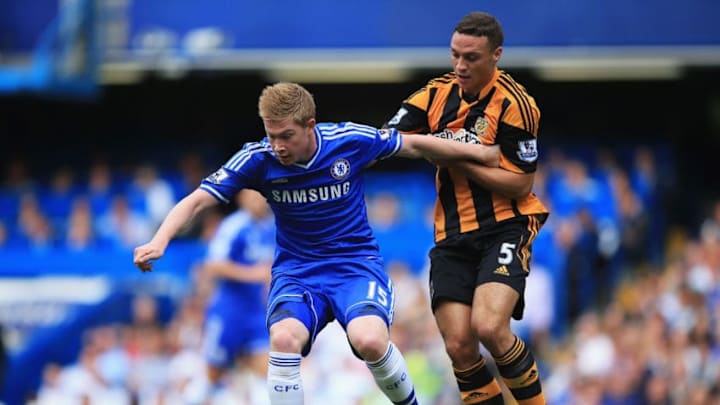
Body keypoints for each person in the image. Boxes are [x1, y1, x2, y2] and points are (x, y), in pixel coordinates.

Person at [134, 81, 499, 405]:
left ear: (310, 125)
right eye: (271, 134)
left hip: (354, 267)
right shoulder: (257, 159)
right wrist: (160, 239)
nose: (277, 146)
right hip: (298, 273)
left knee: (369, 340)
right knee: (283, 338)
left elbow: (415, 145)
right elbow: (198, 198)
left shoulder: (348, 141)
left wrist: (480, 153)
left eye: (286, 136)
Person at [383, 12, 549, 405]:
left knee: (490, 327)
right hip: (452, 233)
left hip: (507, 225)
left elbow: (521, 182)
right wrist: (473, 153)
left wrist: (451, 158)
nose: (460, 66)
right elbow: (392, 139)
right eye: (455, 55)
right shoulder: (434, 94)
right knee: (459, 344)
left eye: (471, 57)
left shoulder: (516, 105)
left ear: (496, 55)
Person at [198, 188, 275, 403]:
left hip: (256, 311)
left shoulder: (272, 227)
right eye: (253, 195)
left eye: (261, 194)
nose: (258, 200)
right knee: (212, 375)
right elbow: (213, 265)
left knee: (268, 374)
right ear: (242, 198)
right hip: (229, 311)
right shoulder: (234, 226)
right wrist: (254, 274)